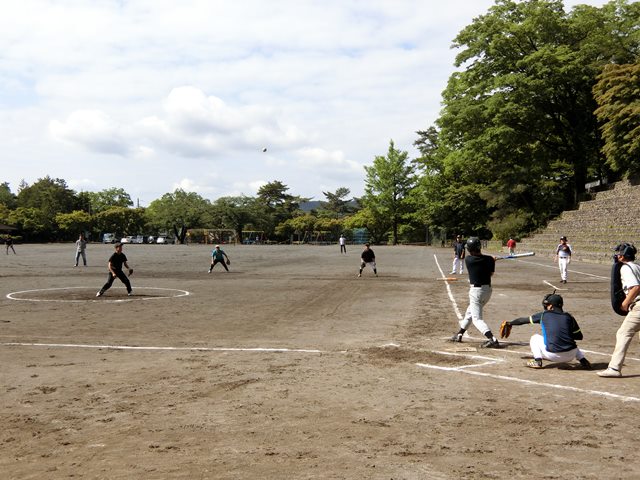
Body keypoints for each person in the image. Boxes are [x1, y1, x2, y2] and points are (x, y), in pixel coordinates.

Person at [502, 293, 591, 369]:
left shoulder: (543, 315)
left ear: (551, 306)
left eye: (547, 304)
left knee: (535, 338)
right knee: (569, 340)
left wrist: (510, 323)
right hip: (571, 354)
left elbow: (523, 321)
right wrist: (565, 333)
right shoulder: (569, 317)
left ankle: (537, 361)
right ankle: (583, 360)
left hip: (553, 356)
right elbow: (579, 336)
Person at [598, 243, 640, 377]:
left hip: (639, 306)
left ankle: (614, 368)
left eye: (619, 253)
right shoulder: (637, 266)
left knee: (623, 333)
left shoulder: (626, 268)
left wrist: (625, 304)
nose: (617, 255)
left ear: (623, 255)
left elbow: (635, 287)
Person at [449, 237, 500, 348]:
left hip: (476, 292)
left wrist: (491, 260)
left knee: (477, 319)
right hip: (487, 291)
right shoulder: (489, 259)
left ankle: (492, 339)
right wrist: (492, 261)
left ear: (469, 249)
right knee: (469, 313)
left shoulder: (469, 260)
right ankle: (459, 334)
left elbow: (481, 259)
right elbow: (490, 274)